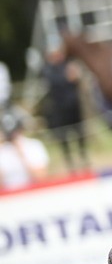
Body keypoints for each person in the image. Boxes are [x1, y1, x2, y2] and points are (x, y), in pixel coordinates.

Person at [40, 41, 89, 173]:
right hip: (60, 109)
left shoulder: (67, 64)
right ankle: (70, 163)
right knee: (64, 137)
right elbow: (56, 83)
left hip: (73, 106)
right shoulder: (48, 69)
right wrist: (68, 77)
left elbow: (76, 80)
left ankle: (83, 158)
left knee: (80, 134)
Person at [0, 111, 50, 192]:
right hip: (9, 197)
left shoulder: (33, 145)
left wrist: (21, 154)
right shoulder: (2, 151)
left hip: (33, 192)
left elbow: (42, 178)